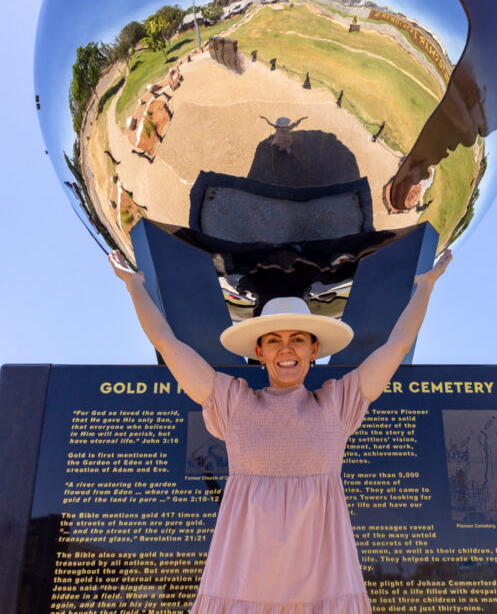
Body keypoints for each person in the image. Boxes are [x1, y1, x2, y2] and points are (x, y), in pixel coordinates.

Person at [108, 248, 452, 613]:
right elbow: (166, 343)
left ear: (313, 348)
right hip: (243, 579)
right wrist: (134, 286)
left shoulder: (339, 403)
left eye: (297, 339)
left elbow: (397, 346)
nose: (286, 349)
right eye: (274, 340)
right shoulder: (232, 403)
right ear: (260, 351)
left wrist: (425, 287)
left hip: (323, 581)